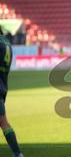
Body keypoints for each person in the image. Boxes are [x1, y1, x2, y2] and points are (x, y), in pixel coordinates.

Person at [0, 28, 24, 157]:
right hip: (3, 86)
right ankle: (17, 153)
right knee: (3, 122)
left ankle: (18, 153)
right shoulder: (7, 42)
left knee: (3, 122)